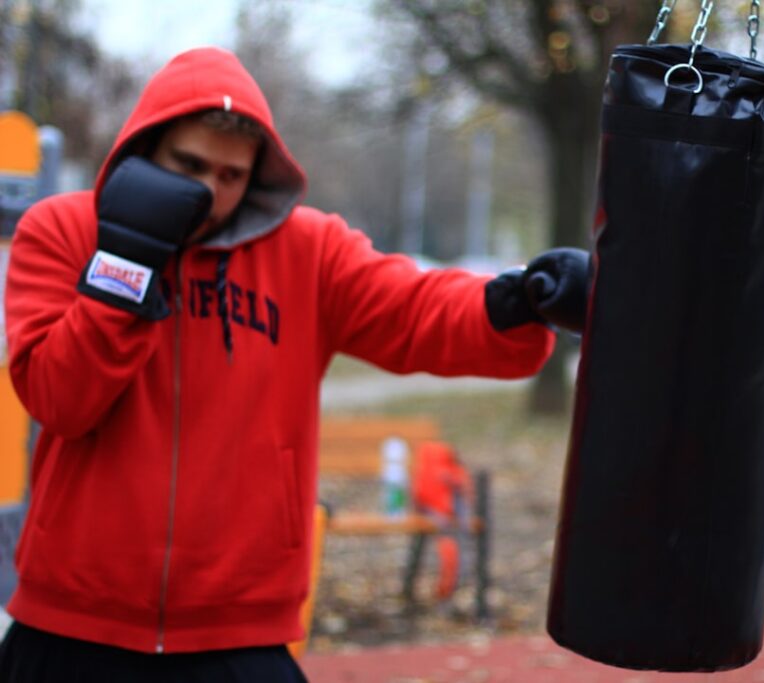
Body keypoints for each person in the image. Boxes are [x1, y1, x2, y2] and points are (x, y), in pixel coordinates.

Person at [0, 46, 588, 682]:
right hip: (71, 623)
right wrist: (125, 265)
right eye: (189, 165)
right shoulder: (61, 230)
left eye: (231, 176)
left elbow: (414, 307)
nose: (209, 194)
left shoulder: (307, 251)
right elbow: (61, 398)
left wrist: (517, 302)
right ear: (145, 149)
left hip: (240, 629)